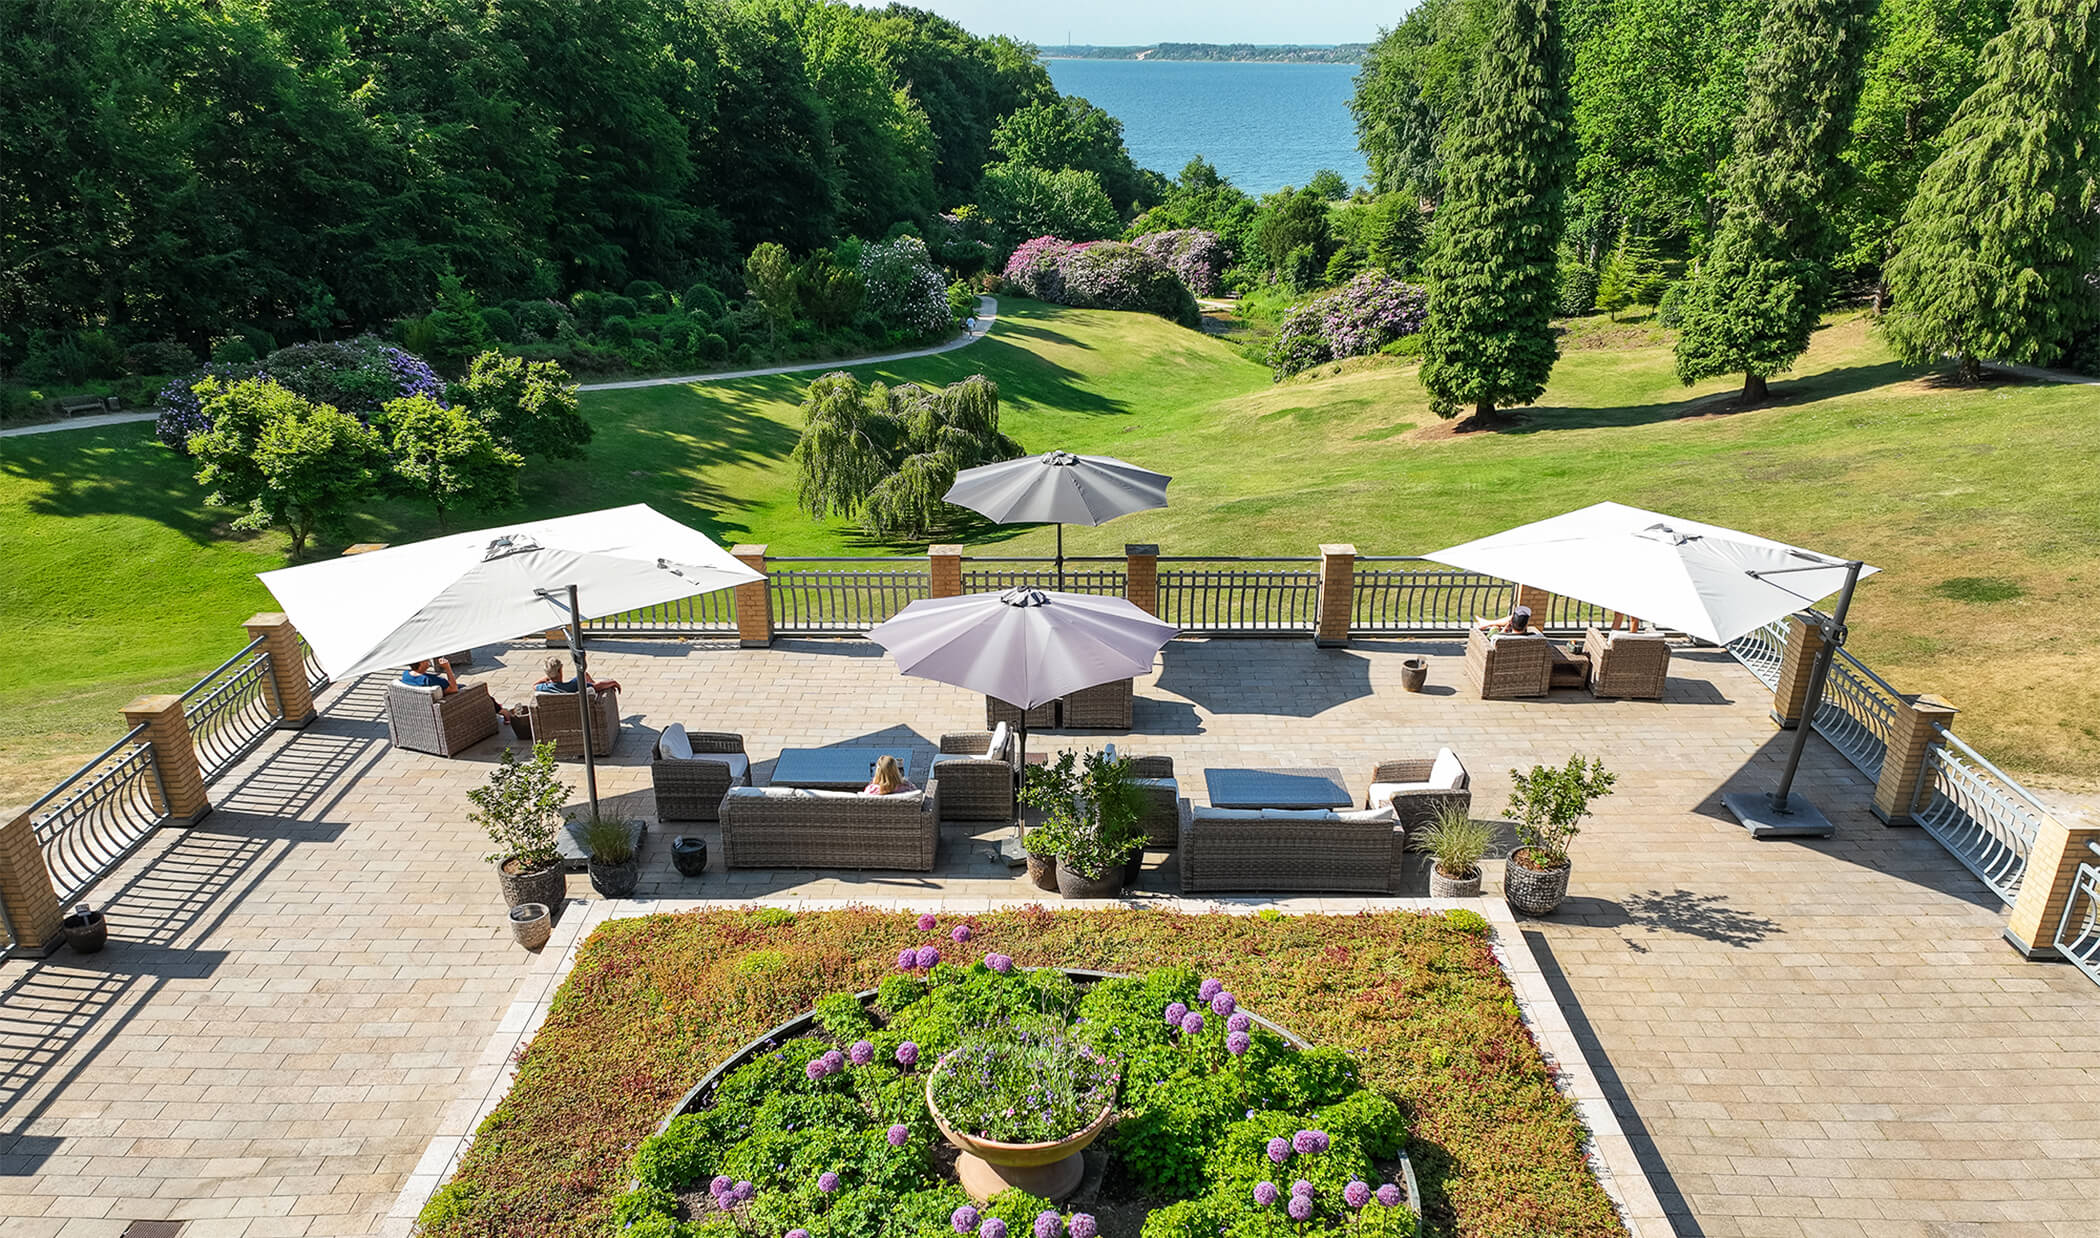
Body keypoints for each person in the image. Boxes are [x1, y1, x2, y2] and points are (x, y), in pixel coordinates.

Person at [532, 656, 621, 696]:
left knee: (584, 675)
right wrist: (614, 682)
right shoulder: (572, 686)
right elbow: (597, 687)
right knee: (583, 675)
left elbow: (534, 685)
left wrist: (548, 677)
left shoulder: (543, 688)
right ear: (560, 670)